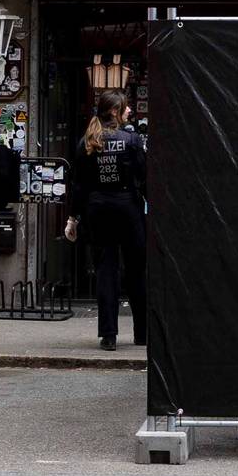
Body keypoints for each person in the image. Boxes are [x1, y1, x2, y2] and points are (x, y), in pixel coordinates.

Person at [73, 89, 145, 351]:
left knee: (106, 271)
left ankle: (109, 335)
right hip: (127, 209)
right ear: (114, 111)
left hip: (98, 210)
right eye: (125, 107)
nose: (129, 111)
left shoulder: (87, 142)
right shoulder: (132, 140)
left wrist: (73, 218)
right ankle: (142, 333)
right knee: (137, 270)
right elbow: (144, 177)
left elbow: (79, 185)